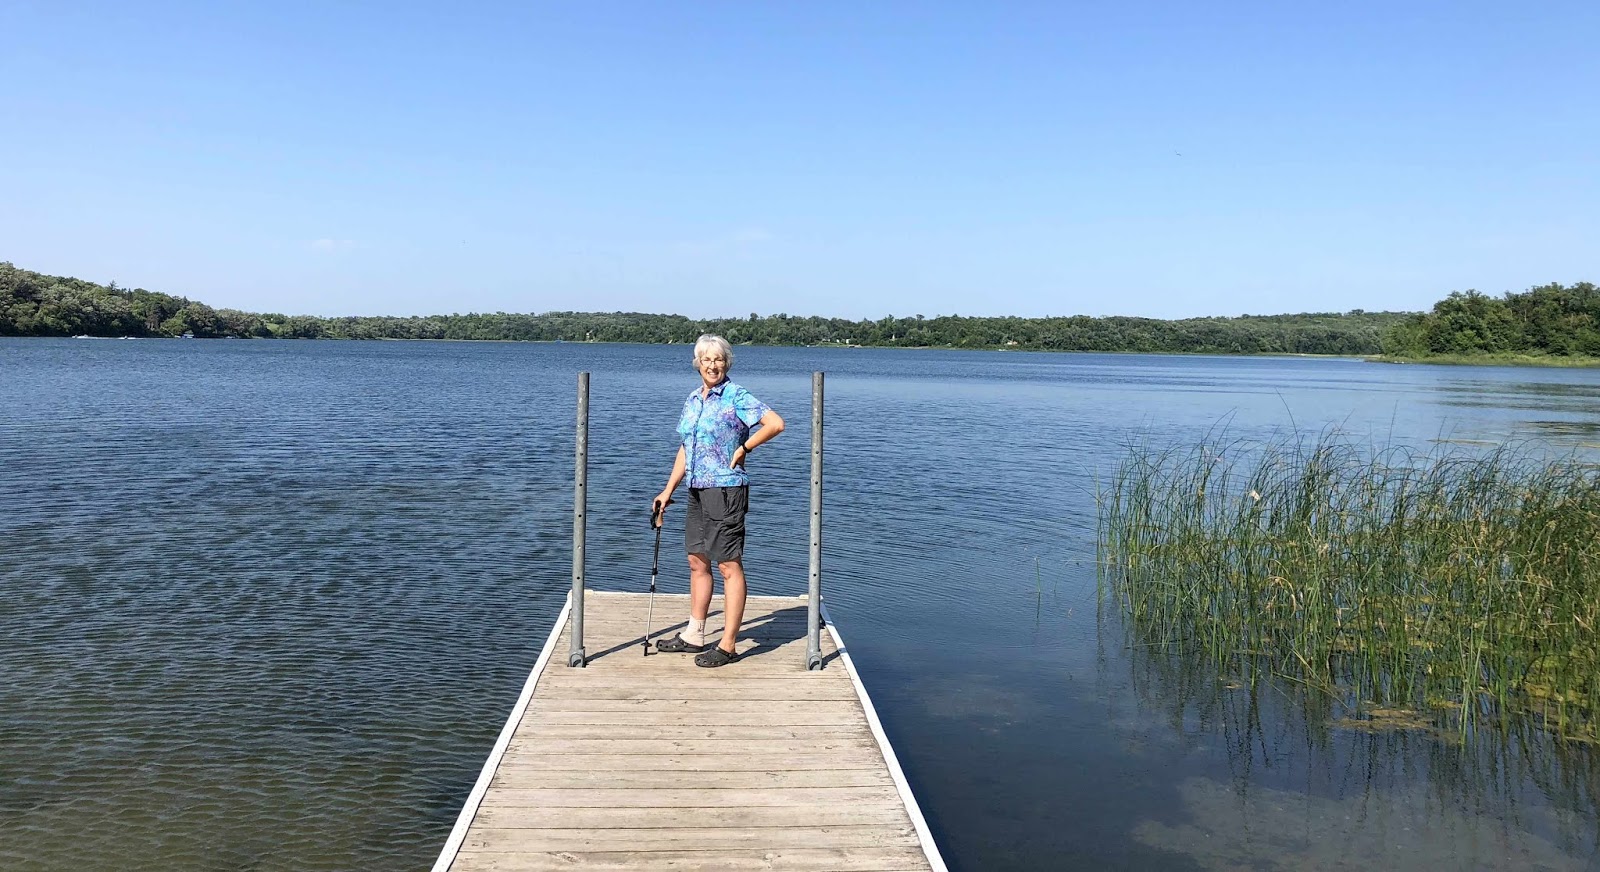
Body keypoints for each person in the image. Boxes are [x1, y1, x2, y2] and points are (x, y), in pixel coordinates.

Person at [652, 334, 784, 667]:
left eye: (719, 359)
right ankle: (694, 634)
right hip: (696, 488)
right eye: (707, 360)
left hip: (726, 489)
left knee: (728, 564)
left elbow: (775, 424)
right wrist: (667, 492)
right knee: (697, 560)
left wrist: (745, 448)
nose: (713, 365)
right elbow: (686, 447)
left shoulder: (736, 395)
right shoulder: (694, 399)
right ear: (698, 363)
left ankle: (728, 644)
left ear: (727, 363)